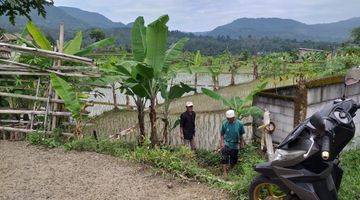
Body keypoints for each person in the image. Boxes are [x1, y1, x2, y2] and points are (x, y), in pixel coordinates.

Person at [220, 109, 245, 177]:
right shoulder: (225, 124)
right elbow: (222, 134)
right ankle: (225, 172)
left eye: (230, 119)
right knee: (224, 157)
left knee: (234, 160)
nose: (229, 120)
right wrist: (222, 143)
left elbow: (241, 135)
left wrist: (241, 143)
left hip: (235, 145)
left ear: (234, 117)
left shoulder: (239, 124)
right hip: (226, 143)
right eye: (228, 119)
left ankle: (232, 170)